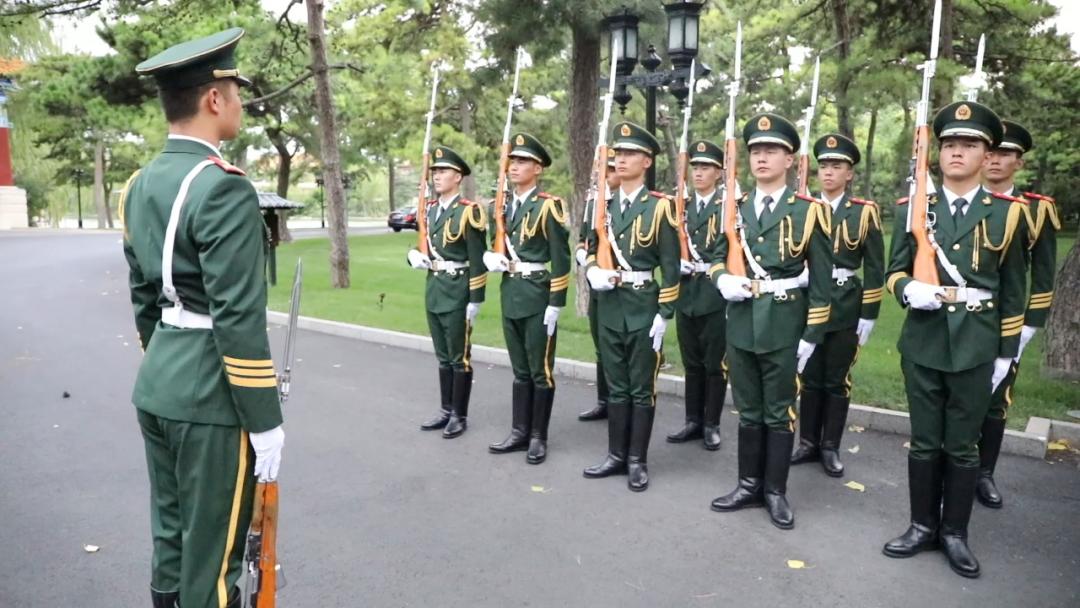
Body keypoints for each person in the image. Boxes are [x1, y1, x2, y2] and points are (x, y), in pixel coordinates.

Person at [121, 28, 284, 608]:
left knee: (171, 539)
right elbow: (239, 317)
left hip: (160, 381)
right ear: (214, 99)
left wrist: (165, 358)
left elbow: (145, 295)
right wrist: (264, 420)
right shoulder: (225, 188)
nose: (239, 101)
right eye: (235, 89)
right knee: (213, 562)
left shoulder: (140, 185)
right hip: (212, 398)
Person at [882, 101, 1027, 578]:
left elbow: (1012, 290)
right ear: (938, 154)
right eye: (949, 145)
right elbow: (893, 272)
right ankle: (922, 526)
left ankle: (955, 533)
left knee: (962, 446)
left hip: (975, 343)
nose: (957, 152)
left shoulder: (1008, 215)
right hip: (923, 339)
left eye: (969, 144)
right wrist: (909, 290)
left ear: (988, 156)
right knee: (924, 441)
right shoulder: (913, 208)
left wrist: (1006, 355)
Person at [709, 113, 833, 530]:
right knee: (748, 409)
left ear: (790, 160)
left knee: (778, 411)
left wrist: (812, 334)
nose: (762, 158)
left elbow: (822, 279)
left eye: (772, 151)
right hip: (742, 322)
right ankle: (748, 485)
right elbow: (713, 256)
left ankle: (775, 491)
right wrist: (721, 278)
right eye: (756, 151)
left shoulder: (809, 212)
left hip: (784, 324)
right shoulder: (735, 208)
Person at [582, 121, 681, 492]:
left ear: (647, 161)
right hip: (609, 305)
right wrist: (592, 270)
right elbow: (589, 247)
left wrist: (664, 314)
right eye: (617, 154)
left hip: (642, 306)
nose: (620, 160)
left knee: (641, 388)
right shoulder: (601, 206)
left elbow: (671, 269)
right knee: (617, 387)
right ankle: (615, 455)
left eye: (629, 154)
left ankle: (637, 459)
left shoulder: (659, 208)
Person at [976, 120, 1059, 508]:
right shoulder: (962, 201)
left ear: (1018, 162)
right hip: (962, 317)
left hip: (1005, 321)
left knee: (997, 398)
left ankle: (984, 473)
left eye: (1005, 154)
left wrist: (1029, 326)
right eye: (990, 152)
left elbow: (1042, 276)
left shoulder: (1036, 210)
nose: (995, 160)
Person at [791, 133, 884, 477]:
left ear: (850, 174)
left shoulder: (863, 213)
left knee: (836, 378)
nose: (829, 172)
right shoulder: (800, 209)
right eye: (824, 166)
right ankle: (807, 443)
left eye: (837, 166)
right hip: (806, 303)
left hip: (845, 305)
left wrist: (870, 314)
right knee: (809, 377)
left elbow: (875, 267)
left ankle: (830, 446)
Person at [485, 133, 571, 464]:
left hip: (537, 294)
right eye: (512, 161)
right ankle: (519, 431)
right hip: (511, 293)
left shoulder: (549, 205)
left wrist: (555, 303)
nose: (514, 167)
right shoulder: (501, 206)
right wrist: (492, 258)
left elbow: (560, 258)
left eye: (522, 162)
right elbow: (499, 245)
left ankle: (538, 436)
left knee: (540, 371)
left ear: (537, 168)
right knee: (520, 370)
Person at [408, 146, 488, 439]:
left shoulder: (469, 211)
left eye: (442, 172)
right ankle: (445, 409)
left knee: (458, 357)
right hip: (435, 288)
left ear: (457, 177)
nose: (436, 177)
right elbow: (422, 246)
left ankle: (459, 414)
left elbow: (478, 257)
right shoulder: (429, 210)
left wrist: (475, 299)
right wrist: (413, 256)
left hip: (457, 289)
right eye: (434, 172)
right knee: (443, 356)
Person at [667, 139, 729, 451]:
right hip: (686, 293)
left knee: (714, 363)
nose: (699, 172)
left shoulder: (728, 207)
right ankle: (692, 420)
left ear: (719, 172)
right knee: (691, 361)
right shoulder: (682, 207)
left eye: (706, 167)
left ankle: (711, 423)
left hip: (715, 294)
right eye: (695, 167)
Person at [575, 149, 619, 422]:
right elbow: (583, 239)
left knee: (618, 348)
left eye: (612, 169)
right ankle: (604, 401)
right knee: (601, 345)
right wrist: (583, 256)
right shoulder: (594, 204)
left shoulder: (623, 204)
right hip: (597, 286)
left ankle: (619, 400)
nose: (609, 175)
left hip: (620, 285)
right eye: (606, 169)